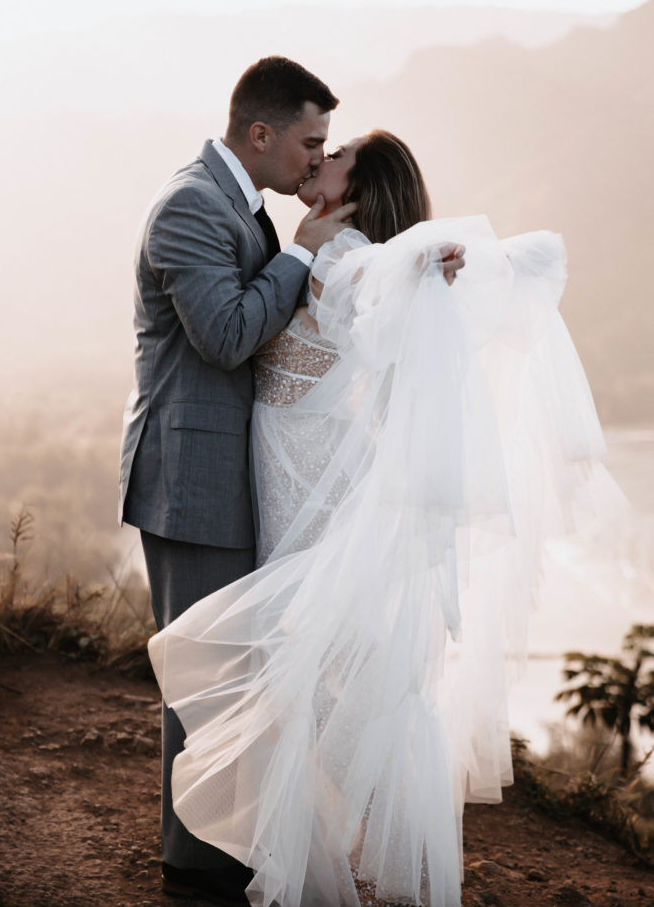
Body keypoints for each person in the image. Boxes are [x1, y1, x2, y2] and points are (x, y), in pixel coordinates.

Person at [148, 131, 611, 906]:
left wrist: (424, 263)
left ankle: (378, 851)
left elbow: (372, 277)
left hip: (310, 481)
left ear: (358, 188)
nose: (316, 162)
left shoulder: (349, 254)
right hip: (296, 467)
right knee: (319, 661)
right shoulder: (327, 244)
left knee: (324, 668)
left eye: (333, 158)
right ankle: (344, 844)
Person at [118, 56, 360, 906]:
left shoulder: (241, 204)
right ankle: (193, 867)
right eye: (309, 141)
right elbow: (225, 335)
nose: (313, 158)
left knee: (229, 668)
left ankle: (220, 845)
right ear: (261, 134)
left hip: (230, 476)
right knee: (204, 672)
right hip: (192, 478)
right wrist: (299, 254)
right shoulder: (190, 205)